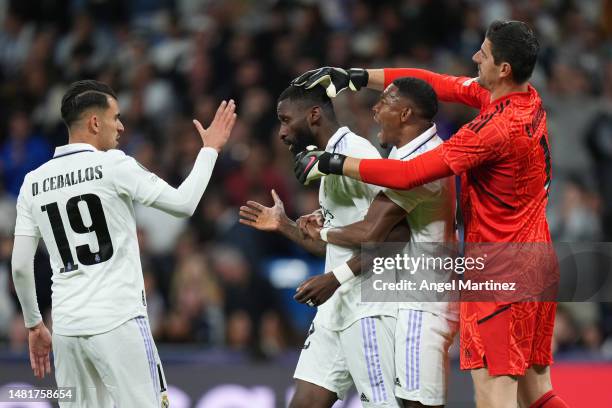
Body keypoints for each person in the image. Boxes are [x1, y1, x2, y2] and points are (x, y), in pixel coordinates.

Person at [293, 20, 569, 408]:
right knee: (537, 392)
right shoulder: (525, 99)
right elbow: (438, 83)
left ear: (503, 69)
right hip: (540, 262)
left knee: (496, 397)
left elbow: (409, 173)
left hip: (501, 274)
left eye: (484, 54)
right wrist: (356, 77)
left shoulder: (494, 130)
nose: (475, 57)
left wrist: (334, 162)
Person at [11, 80, 236, 407]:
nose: (121, 125)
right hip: (118, 322)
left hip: (67, 329)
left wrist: (34, 325)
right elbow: (184, 204)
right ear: (94, 122)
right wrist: (210, 150)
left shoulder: (33, 183)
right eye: (115, 117)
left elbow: (20, 266)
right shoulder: (113, 165)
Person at [295, 77, 459, 407]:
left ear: (405, 114)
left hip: (420, 301)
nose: (375, 109)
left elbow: (373, 232)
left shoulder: (421, 162)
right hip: (412, 295)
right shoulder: (413, 155)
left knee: (416, 405)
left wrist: (324, 232)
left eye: (384, 103)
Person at [239, 84, 402, 408]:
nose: (282, 132)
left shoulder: (358, 154)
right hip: (336, 306)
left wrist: (334, 278)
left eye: (286, 120)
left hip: (368, 306)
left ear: (314, 115)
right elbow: (333, 245)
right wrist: (285, 226)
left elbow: (396, 236)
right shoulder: (327, 166)